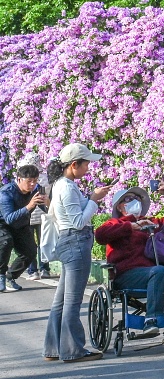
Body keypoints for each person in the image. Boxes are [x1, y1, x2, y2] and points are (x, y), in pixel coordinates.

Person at [95, 182, 164, 338]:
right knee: (159, 271)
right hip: (128, 275)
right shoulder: (115, 224)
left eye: (136, 198)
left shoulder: (150, 222)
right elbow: (100, 235)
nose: (134, 201)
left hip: (156, 273)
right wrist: (131, 226)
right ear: (120, 207)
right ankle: (151, 319)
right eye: (128, 199)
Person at [43, 143, 113, 363]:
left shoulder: (60, 184)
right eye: (86, 164)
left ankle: (54, 348)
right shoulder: (67, 187)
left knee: (61, 300)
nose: (88, 168)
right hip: (76, 242)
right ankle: (73, 350)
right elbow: (78, 221)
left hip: (68, 242)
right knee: (72, 301)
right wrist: (93, 200)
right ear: (74, 165)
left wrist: (91, 198)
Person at [0, 163, 48, 293]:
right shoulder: (6, 192)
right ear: (19, 179)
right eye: (29, 181)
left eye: (35, 180)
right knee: (6, 242)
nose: (32, 184)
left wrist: (47, 202)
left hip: (22, 224)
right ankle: (1, 275)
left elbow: (47, 209)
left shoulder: (37, 189)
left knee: (30, 251)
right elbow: (9, 218)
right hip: (3, 224)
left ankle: (11, 276)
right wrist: (29, 206)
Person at [17, 154, 52, 280]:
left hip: (29, 215)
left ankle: (33, 271)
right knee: (44, 242)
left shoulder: (26, 179)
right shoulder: (45, 178)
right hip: (43, 215)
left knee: (30, 245)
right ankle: (45, 269)